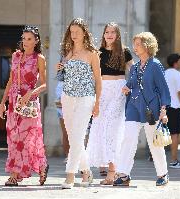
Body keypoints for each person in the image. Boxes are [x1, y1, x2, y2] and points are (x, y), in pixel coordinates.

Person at [113, 32, 171, 186]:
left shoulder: (155, 65)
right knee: (128, 138)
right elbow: (132, 83)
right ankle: (124, 174)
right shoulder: (135, 66)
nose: (135, 48)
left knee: (154, 142)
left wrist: (163, 109)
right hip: (133, 106)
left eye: (138, 44)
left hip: (151, 108)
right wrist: (127, 87)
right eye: (135, 44)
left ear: (147, 46)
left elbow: (164, 89)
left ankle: (163, 174)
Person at [0, 26, 49, 186]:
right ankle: (40, 166)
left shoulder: (39, 58)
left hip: (29, 102)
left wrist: (30, 93)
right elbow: (10, 81)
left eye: (29, 39)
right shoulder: (15, 56)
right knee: (14, 138)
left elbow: (44, 85)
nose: (25, 42)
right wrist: (3, 102)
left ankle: (16, 174)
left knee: (26, 139)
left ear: (36, 41)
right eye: (24, 38)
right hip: (14, 102)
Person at [56, 18, 102, 189]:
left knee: (78, 136)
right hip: (67, 97)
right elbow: (64, 76)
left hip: (86, 98)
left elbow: (98, 80)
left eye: (77, 32)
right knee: (73, 137)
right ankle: (87, 171)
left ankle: (70, 175)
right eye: (71, 32)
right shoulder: (67, 51)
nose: (73, 35)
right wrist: (60, 67)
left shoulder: (92, 54)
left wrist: (97, 103)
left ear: (84, 33)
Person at [86, 22, 133, 185]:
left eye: (113, 32)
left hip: (119, 90)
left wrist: (129, 85)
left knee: (112, 129)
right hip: (102, 90)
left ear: (118, 35)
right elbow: (92, 76)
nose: (110, 34)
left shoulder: (124, 52)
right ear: (103, 34)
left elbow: (133, 72)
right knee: (100, 127)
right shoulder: (97, 53)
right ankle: (109, 169)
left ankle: (112, 172)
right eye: (107, 32)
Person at [165, 53, 180, 169]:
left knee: (162, 133)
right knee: (174, 135)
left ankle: (153, 156)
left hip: (165, 107)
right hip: (175, 108)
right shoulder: (177, 74)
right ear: (176, 62)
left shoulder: (164, 73)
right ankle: (174, 160)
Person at [55, 80, 69, 158]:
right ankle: (68, 157)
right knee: (66, 132)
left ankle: (77, 158)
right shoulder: (61, 83)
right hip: (63, 87)